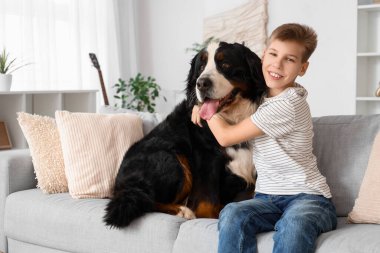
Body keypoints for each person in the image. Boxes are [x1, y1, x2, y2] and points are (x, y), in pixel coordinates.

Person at [191, 23, 337, 253]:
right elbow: (229, 103)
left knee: (294, 224)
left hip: (308, 199)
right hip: (267, 198)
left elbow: (226, 137)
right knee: (232, 213)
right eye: (273, 54)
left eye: (289, 59)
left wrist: (203, 108)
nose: (277, 64)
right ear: (263, 56)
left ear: (303, 68)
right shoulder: (261, 98)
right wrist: (206, 104)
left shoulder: (288, 104)